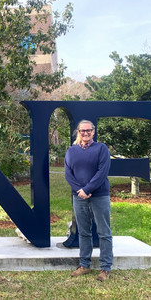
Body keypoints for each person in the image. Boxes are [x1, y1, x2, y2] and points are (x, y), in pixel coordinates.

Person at [64, 120, 113, 282]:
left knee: (103, 232)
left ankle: (105, 268)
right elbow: (68, 174)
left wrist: (88, 189)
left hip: (99, 196)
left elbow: (102, 172)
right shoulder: (71, 151)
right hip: (79, 197)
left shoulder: (101, 149)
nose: (85, 133)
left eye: (89, 131)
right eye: (82, 131)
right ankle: (84, 265)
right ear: (77, 132)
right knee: (83, 232)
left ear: (93, 131)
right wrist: (80, 190)